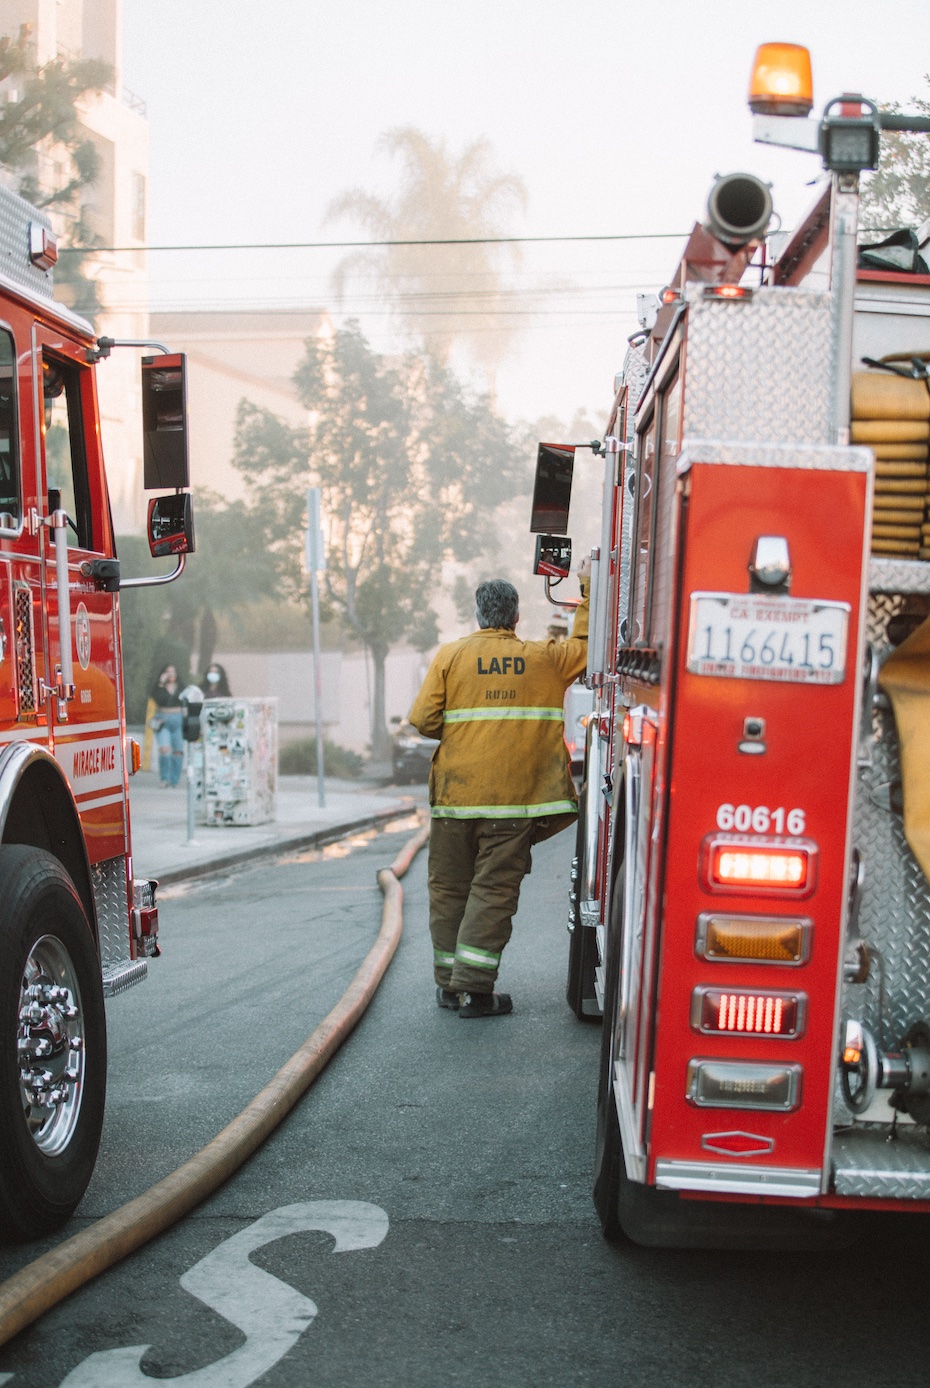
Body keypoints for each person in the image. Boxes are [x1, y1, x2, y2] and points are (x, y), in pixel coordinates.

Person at [408, 562, 590, 1018]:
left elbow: (424, 720)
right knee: (492, 891)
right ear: (515, 618)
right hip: (512, 804)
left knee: (449, 890)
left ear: (478, 615)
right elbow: (587, 647)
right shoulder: (544, 658)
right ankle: (474, 990)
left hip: (454, 802)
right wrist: (587, 590)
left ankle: (450, 987)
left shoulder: (450, 656)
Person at [150, 664, 185, 787]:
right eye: (168, 672)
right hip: (162, 718)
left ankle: (174, 780)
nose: (171, 674)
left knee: (177, 751)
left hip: (177, 719)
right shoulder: (159, 687)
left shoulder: (181, 687)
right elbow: (157, 698)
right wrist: (161, 683)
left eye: (173, 672)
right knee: (164, 749)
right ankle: (164, 778)